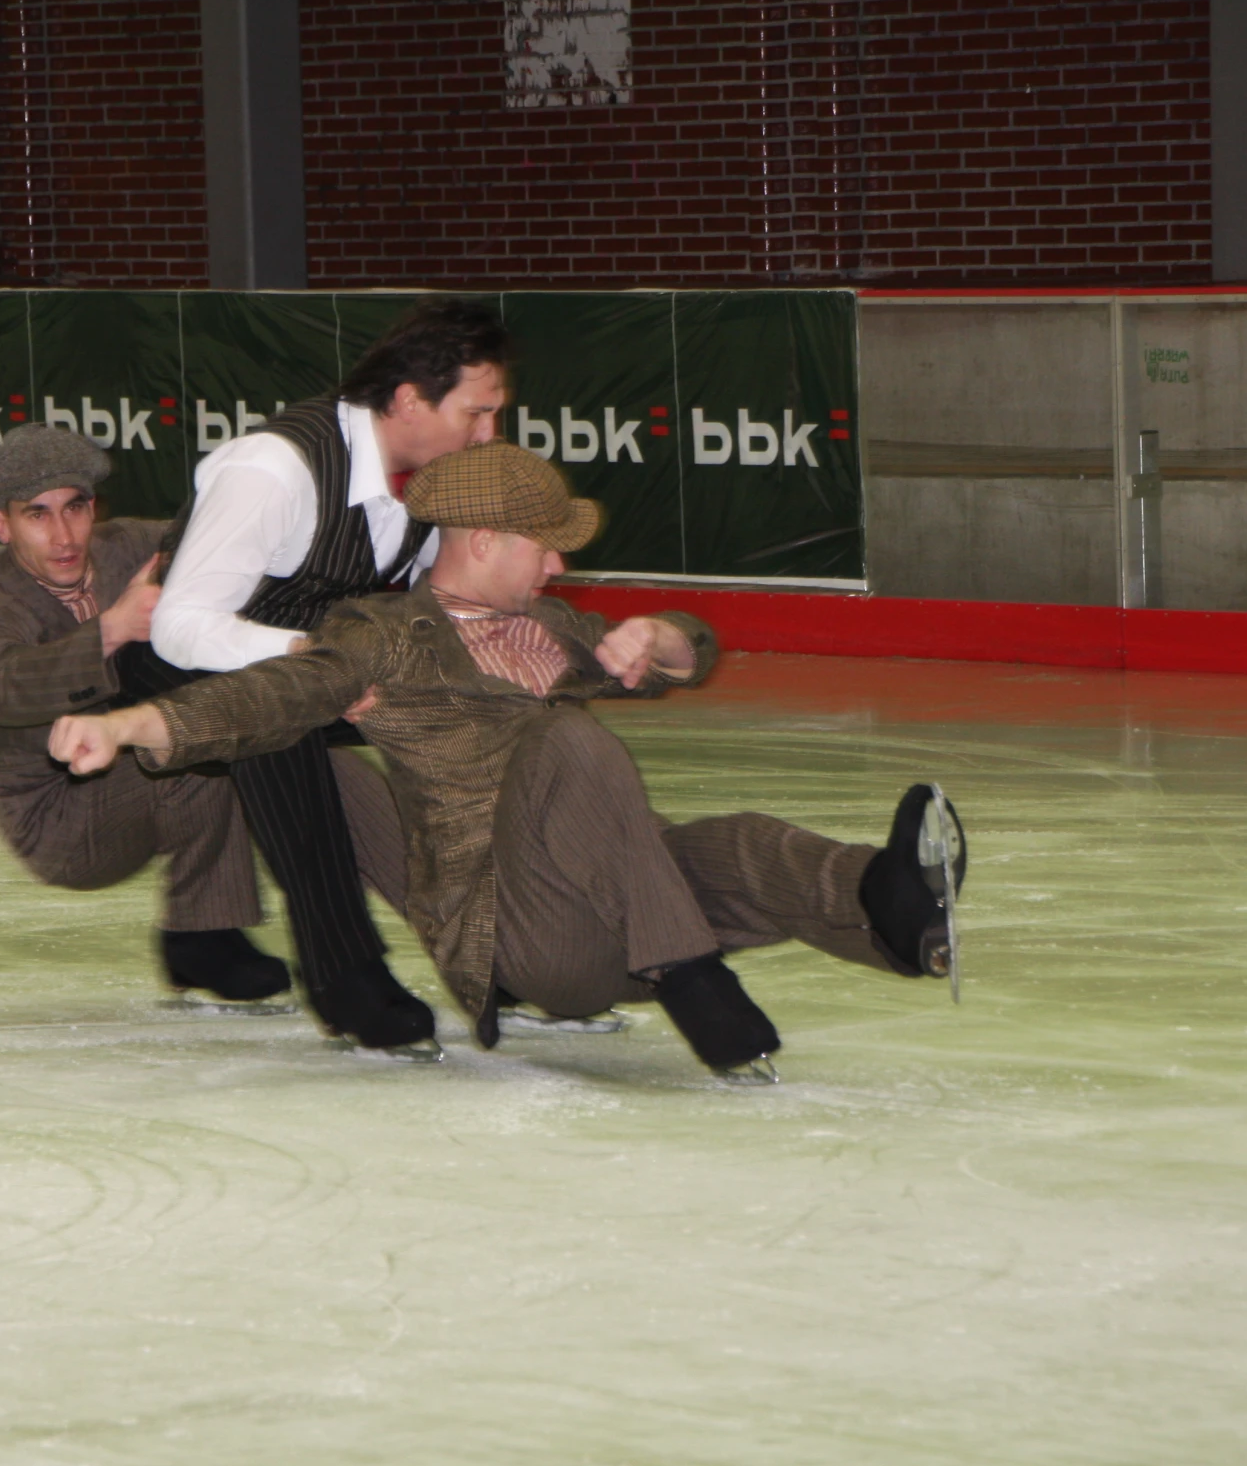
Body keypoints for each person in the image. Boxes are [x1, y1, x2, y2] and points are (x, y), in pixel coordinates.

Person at [52, 441, 967, 1074]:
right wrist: (135, 725)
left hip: (616, 911)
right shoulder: (382, 634)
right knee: (565, 740)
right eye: (544, 543)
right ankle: (698, 982)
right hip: (527, 938)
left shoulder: (550, 627)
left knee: (739, 842)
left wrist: (661, 638)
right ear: (483, 540)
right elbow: (266, 700)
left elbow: (690, 652)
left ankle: (886, 903)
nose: (559, 564)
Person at [114, 295, 514, 1052]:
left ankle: (511, 949)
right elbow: (179, 624)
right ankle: (346, 979)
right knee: (277, 722)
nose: (490, 433)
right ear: (407, 400)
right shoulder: (277, 468)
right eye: (477, 413)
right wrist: (313, 666)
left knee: (468, 714)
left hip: (313, 666)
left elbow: (444, 603)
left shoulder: (434, 479)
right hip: (169, 663)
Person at [0, 424, 289, 1005]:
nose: (64, 535)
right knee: (190, 741)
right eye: (38, 515)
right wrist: (113, 629)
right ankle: (201, 939)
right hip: (57, 818)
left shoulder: (128, 548)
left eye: (75, 508)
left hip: (129, 774)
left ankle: (285, 923)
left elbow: (217, 538)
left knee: (266, 739)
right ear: (1, 526)